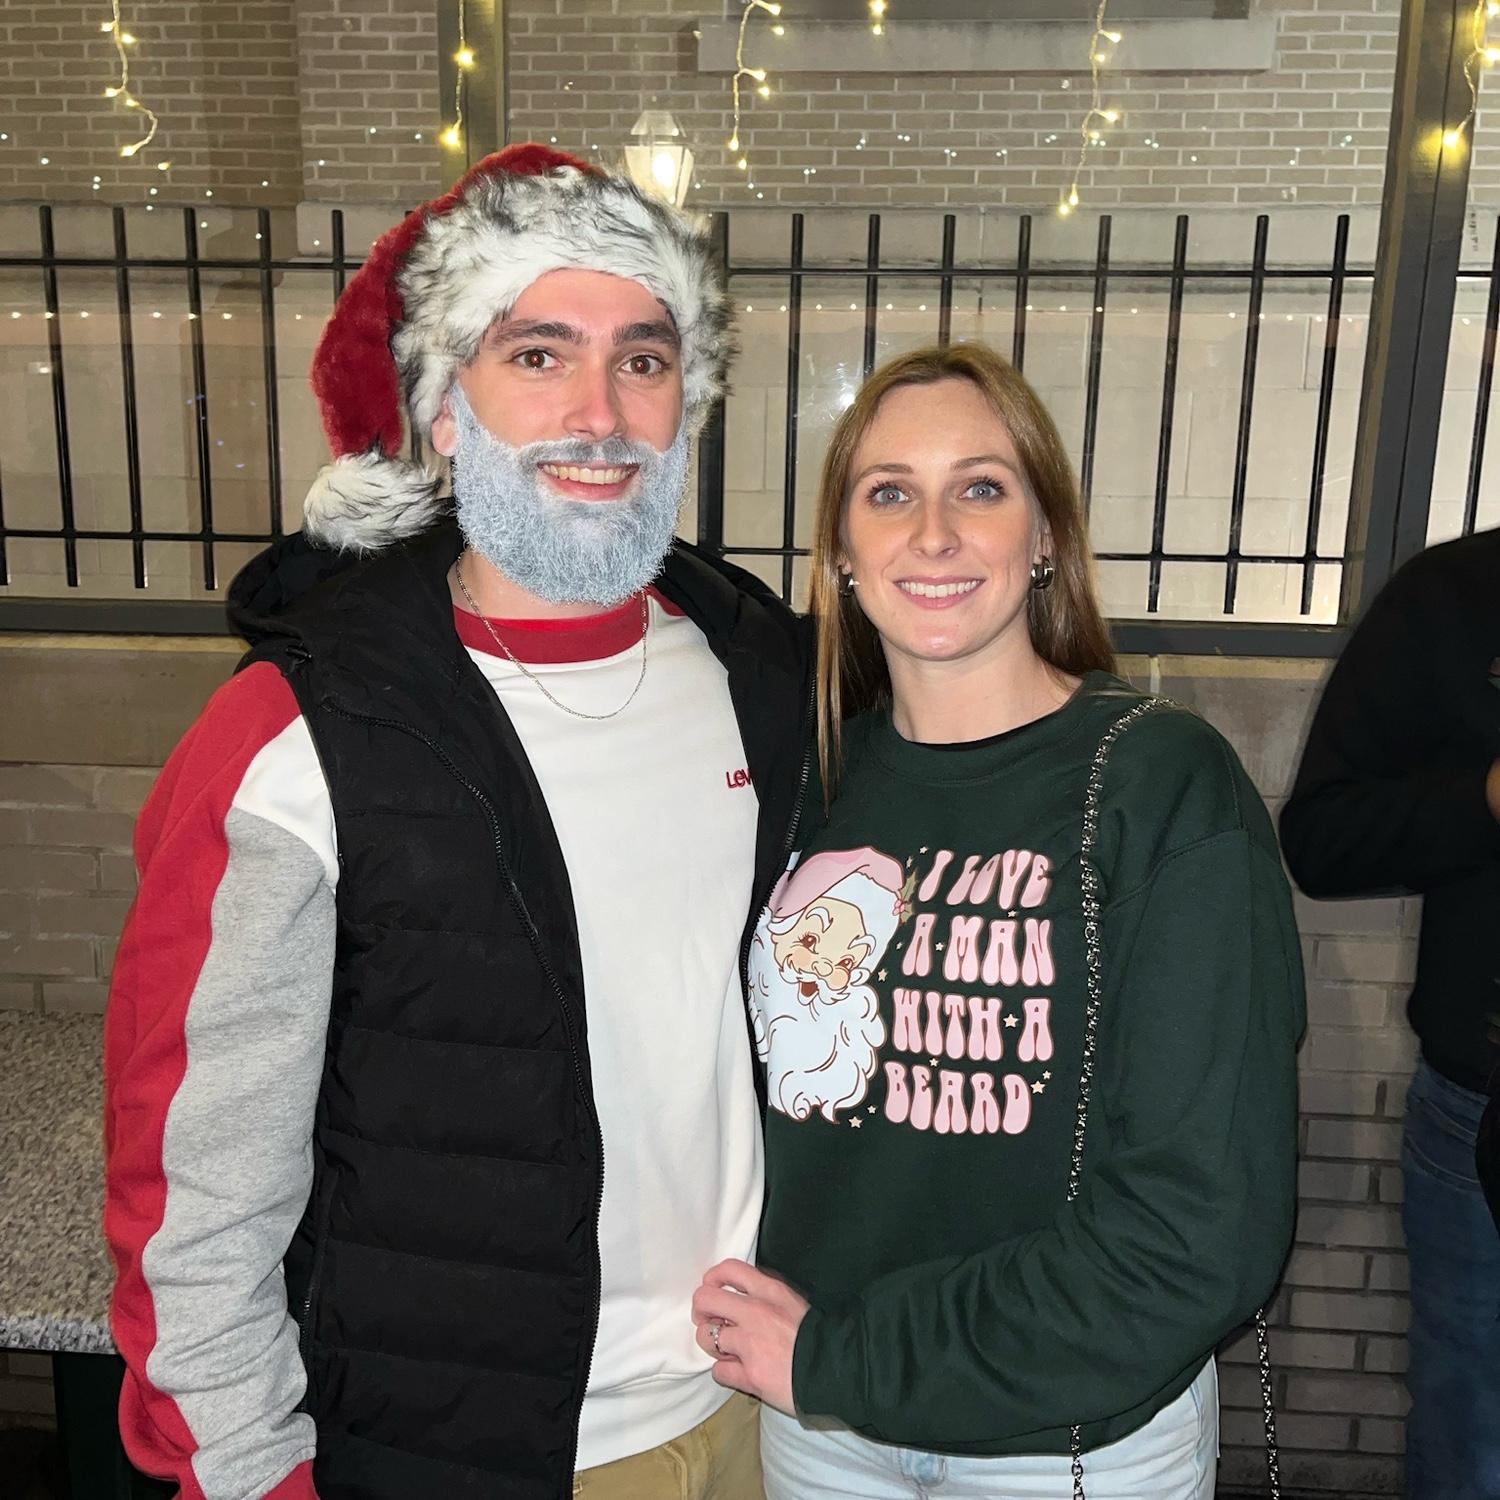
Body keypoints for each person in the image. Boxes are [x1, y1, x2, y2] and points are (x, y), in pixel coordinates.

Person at [102, 144, 810, 1500]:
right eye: (538, 357)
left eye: (644, 361)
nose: (599, 414)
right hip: (458, 1458)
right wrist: (249, 1477)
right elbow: (194, 1183)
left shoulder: (762, 679)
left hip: (765, 1425)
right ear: (442, 407)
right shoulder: (301, 731)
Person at [690, 342, 1305, 1498]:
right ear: (841, 555)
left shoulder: (1156, 786)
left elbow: (1199, 1232)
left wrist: (843, 1354)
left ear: (1045, 541)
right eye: (889, 494)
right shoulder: (806, 783)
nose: (933, 533)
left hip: (1062, 1441)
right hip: (822, 1432)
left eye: (981, 487)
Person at [1278, 525, 1500, 1500]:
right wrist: (1487, 798)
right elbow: (1322, 839)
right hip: (1482, 1109)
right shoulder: (1459, 593)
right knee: (1470, 1438)